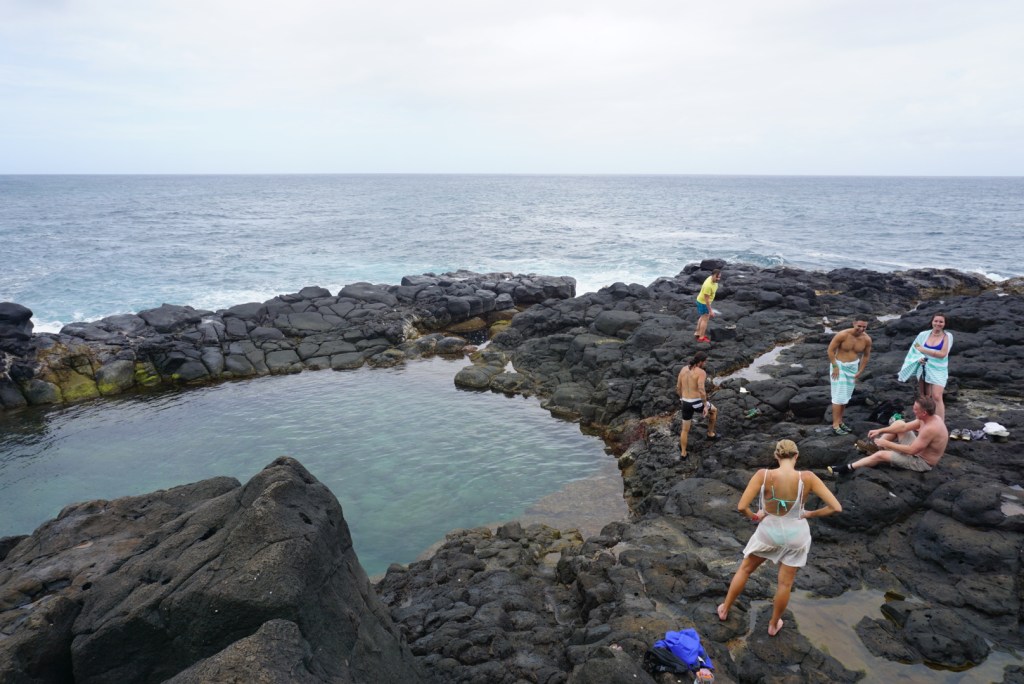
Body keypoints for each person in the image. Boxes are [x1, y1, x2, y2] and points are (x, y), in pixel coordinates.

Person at [717, 440, 842, 636]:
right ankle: (773, 624)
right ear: (796, 456)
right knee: (785, 584)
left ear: (776, 456)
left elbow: (742, 507)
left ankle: (725, 609)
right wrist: (810, 514)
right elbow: (836, 507)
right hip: (796, 535)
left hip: (769, 533)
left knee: (745, 569)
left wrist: (755, 517)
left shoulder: (764, 475)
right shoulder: (807, 477)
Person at [828, 396, 948, 475]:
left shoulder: (930, 428)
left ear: (924, 412)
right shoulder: (929, 418)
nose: (913, 411)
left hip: (921, 462)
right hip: (916, 451)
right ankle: (876, 447)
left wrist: (887, 443)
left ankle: (846, 468)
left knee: (880, 455)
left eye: (915, 409)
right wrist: (880, 431)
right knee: (899, 423)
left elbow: (912, 450)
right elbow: (904, 428)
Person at [897, 312, 953, 419]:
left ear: (945, 324)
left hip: (939, 369)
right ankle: (924, 420)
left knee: (937, 396)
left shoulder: (947, 336)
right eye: (936, 321)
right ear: (932, 321)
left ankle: (940, 423)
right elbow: (915, 347)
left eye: (941, 322)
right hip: (923, 366)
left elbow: (942, 354)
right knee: (924, 397)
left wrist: (924, 350)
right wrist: (919, 357)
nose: (938, 324)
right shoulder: (923, 335)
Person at [827, 319, 872, 435]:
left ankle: (840, 421)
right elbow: (830, 350)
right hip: (839, 366)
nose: (861, 329)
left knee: (846, 396)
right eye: (859, 326)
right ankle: (835, 425)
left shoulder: (866, 339)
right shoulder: (843, 335)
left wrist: (860, 371)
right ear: (854, 324)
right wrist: (835, 366)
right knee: (838, 396)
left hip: (853, 368)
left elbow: (866, 356)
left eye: (864, 327)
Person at [676, 351, 718, 458]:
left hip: (685, 402)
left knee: (684, 429)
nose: (705, 364)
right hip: (696, 402)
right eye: (705, 362)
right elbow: (701, 390)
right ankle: (710, 434)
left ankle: (683, 453)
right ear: (700, 362)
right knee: (714, 411)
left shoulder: (683, 369)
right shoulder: (701, 372)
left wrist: (681, 398)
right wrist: (705, 405)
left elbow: (678, 387)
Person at [693, 269, 721, 343]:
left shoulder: (711, 278)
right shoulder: (708, 286)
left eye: (719, 277)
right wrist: (710, 311)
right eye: (717, 277)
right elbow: (706, 300)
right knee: (705, 319)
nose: (718, 279)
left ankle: (697, 332)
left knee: (702, 317)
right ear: (713, 275)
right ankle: (701, 337)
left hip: (700, 301)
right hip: (703, 303)